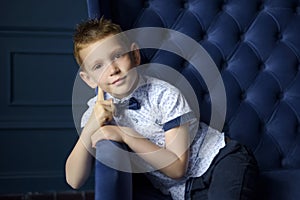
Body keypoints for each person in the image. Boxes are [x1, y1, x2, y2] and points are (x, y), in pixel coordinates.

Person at [65, 17, 259, 200]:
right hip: (183, 190)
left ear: (135, 55)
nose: (112, 69)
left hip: (221, 161)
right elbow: (74, 180)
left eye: (117, 56)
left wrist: (124, 134)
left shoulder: (164, 94)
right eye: (98, 66)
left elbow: (177, 168)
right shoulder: (98, 112)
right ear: (88, 79)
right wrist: (91, 126)